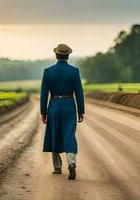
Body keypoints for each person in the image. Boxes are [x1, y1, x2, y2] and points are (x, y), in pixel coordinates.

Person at [40, 43, 85, 180]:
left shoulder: (48, 71)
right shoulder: (74, 71)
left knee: (54, 134)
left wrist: (43, 112)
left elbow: (43, 94)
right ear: (68, 55)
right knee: (69, 134)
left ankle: (57, 167)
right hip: (69, 105)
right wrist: (81, 111)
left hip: (54, 105)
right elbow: (79, 93)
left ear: (56, 55)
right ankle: (71, 163)